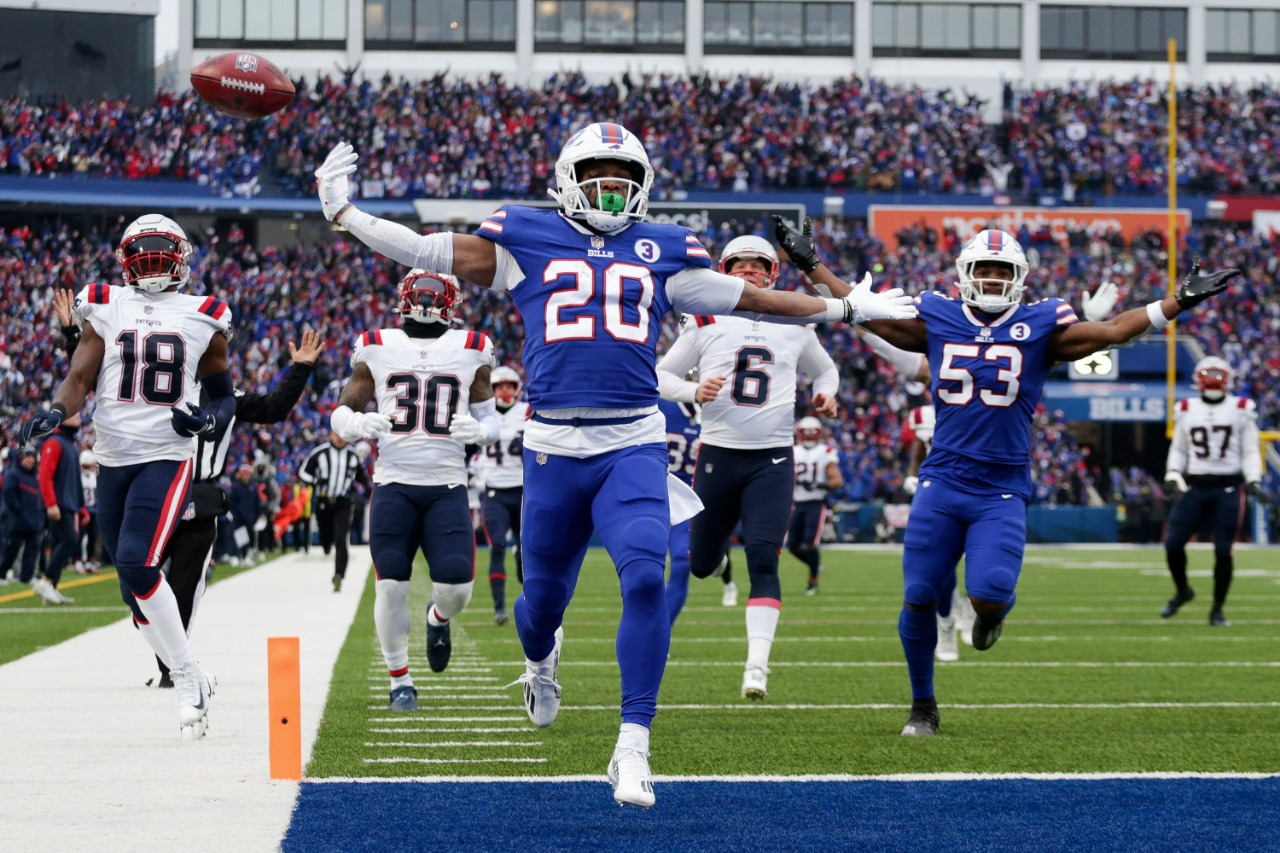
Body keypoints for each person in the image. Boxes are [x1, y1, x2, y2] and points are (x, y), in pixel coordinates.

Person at [314, 123, 914, 807]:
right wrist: (345, 214)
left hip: (631, 440)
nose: (611, 188)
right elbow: (425, 249)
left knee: (646, 579)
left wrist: (842, 306)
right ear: (569, 177)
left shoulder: (664, 248)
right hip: (552, 448)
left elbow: (754, 299)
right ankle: (541, 662)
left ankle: (633, 744)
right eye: (599, 175)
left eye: (624, 178)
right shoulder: (523, 237)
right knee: (539, 605)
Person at [775, 216, 1240, 738]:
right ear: (965, 273)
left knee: (991, 593)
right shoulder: (936, 315)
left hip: (1001, 488)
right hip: (942, 480)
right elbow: (859, 310)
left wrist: (1176, 302)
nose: (993, 280)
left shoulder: (1044, 323)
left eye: (1002, 271)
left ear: (1019, 277)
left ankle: (991, 618)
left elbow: (1112, 331)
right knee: (920, 594)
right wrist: (809, 264)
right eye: (984, 270)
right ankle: (922, 705)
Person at [19, 212, 235, 739]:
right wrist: (56, 409)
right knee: (129, 585)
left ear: (181, 257)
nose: (155, 262)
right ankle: (194, 671)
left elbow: (225, 395)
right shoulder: (106, 302)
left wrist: (206, 419)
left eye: (163, 251)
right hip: (113, 456)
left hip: (166, 454)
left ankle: (186, 677)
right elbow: (79, 376)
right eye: (147, 251)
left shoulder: (204, 313)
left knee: (140, 563)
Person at [655, 235, 840, 702]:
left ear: (772, 273)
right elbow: (659, 374)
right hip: (717, 455)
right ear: (723, 269)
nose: (748, 273)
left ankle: (756, 666)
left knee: (763, 556)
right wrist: (691, 392)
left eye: (757, 266)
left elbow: (826, 370)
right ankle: (718, 559)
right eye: (739, 265)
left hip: (773, 458)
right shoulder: (705, 317)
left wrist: (826, 393)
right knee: (699, 565)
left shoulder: (796, 320)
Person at [331, 269, 499, 711]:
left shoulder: (472, 349)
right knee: (390, 587)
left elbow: (492, 418)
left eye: (433, 296)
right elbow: (339, 414)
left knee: (457, 588)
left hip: (446, 485)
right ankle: (399, 680)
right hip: (393, 484)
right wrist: (357, 424)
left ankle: (437, 618)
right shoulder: (378, 345)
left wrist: (480, 432)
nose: (426, 303)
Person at [146, 330, 323, 688]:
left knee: (185, 586)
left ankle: (171, 668)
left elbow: (274, 408)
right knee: (136, 579)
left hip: (200, 494)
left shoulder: (226, 396)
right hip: (156, 491)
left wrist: (300, 370)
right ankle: (167, 657)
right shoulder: (153, 388)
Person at [1161, 356, 1272, 627]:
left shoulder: (1241, 408)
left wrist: (1254, 480)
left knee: (1223, 551)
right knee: (1173, 543)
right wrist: (1173, 473)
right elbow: (1179, 448)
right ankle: (1183, 590)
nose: (1213, 380)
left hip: (1229, 487)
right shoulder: (1186, 408)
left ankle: (1217, 609)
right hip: (1196, 486)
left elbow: (1249, 449)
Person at [471, 365, 529, 625]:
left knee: (526, 551)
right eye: (499, 386)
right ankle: (499, 609)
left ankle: (529, 601)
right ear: (492, 390)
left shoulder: (527, 412)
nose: (505, 390)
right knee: (497, 548)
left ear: (517, 388)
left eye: (509, 385)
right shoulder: (483, 414)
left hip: (524, 491)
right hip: (494, 492)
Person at [299, 431, 371, 591]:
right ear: (330, 434)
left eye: (343, 434)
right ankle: (326, 545)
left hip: (343, 501)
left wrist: (360, 484)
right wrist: (316, 481)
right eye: (336, 433)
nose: (339, 438)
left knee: (341, 537)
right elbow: (303, 472)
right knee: (326, 537)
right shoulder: (319, 452)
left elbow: (363, 478)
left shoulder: (353, 455)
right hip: (324, 500)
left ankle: (339, 575)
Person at [659, 393, 701, 623]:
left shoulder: (721, 411)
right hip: (650, 491)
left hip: (687, 498)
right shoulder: (661, 402)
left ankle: (662, 629)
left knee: (683, 562)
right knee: (643, 568)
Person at [789, 416, 843, 596]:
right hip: (797, 502)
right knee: (793, 545)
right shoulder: (793, 451)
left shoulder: (825, 451)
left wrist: (821, 485)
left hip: (816, 502)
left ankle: (812, 582)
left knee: (811, 543)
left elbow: (836, 480)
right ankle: (816, 565)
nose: (809, 437)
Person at [35, 412, 85, 602]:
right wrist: (50, 503)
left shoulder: (70, 445)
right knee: (69, 541)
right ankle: (46, 581)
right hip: (58, 503)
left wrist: (81, 507)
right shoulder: (54, 442)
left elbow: (75, 480)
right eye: (75, 415)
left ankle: (51, 589)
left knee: (60, 543)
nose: (79, 419)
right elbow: (45, 474)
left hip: (67, 502)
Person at [0, 448, 47, 595]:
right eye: (27, 457)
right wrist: (19, 510)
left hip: (34, 519)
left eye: (32, 457)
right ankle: (2, 573)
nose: (30, 460)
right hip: (18, 520)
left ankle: (26, 576)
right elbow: (9, 495)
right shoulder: (13, 474)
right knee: (12, 549)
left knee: (32, 550)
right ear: (20, 459)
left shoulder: (35, 476)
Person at [76, 449, 101, 575]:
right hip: (82, 509)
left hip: (93, 509)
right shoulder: (78, 477)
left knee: (92, 536)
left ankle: (89, 561)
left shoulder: (94, 476)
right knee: (80, 536)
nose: (87, 467)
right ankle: (79, 561)